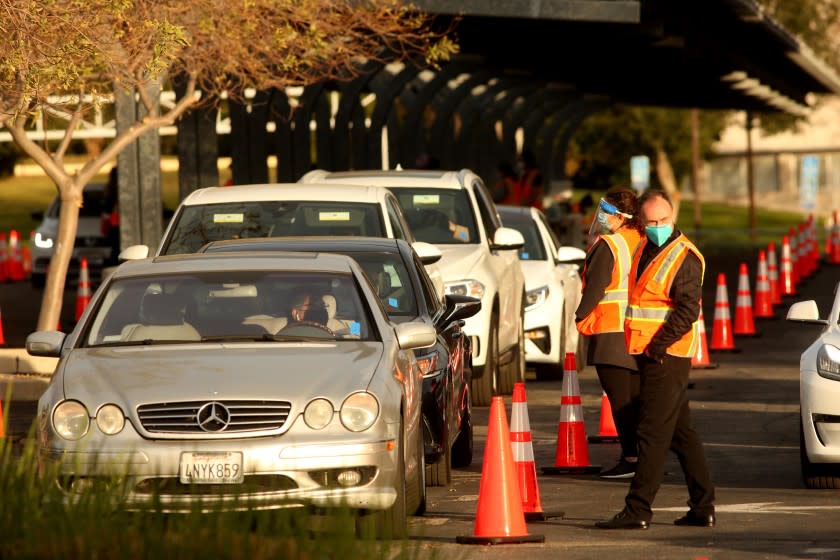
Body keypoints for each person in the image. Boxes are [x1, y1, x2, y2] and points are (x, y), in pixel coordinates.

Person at [596, 188, 715, 530]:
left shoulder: (685, 256)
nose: (657, 226)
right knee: (681, 434)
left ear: (673, 217)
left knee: (650, 433)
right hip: (649, 355)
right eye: (651, 222)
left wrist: (658, 347)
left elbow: (687, 311)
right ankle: (703, 506)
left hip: (667, 356)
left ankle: (638, 510)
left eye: (663, 220)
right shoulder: (646, 248)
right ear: (642, 223)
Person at [575, 187, 643, 480]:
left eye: (606, 211)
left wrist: (579, 315)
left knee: (621, 401)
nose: (600, 216)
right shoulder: (640, 241)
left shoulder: (609, 245)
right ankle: (642, 456)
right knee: (636, 399)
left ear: (620, 216)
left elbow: (597, 285)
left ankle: (631, 458)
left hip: (610, 330)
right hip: (639, 330)